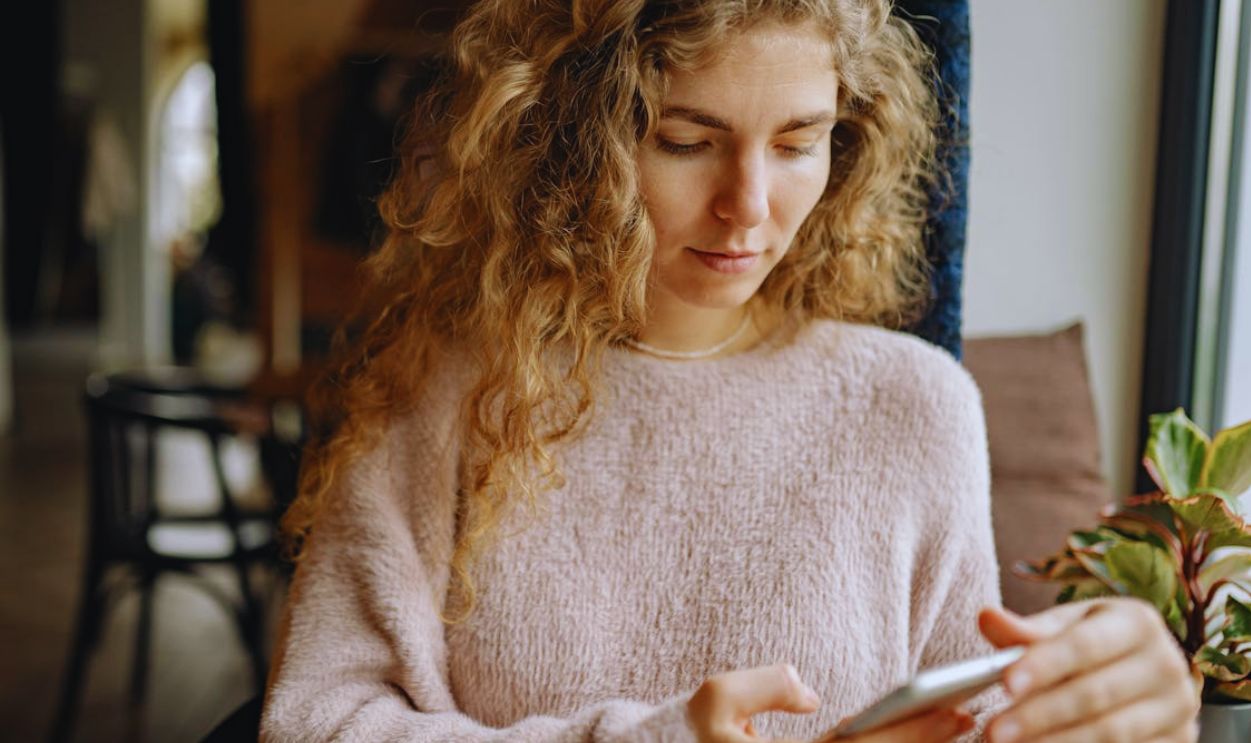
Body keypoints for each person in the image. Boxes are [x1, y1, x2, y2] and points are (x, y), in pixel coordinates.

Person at [260, 1, 1199, 742]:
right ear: (572, 134)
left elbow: (972, 719)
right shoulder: (444, 394)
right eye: (685, 140)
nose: (747, 208)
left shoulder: (912, 404)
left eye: (798, 143)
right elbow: (316, 722)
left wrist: (1115, 708)